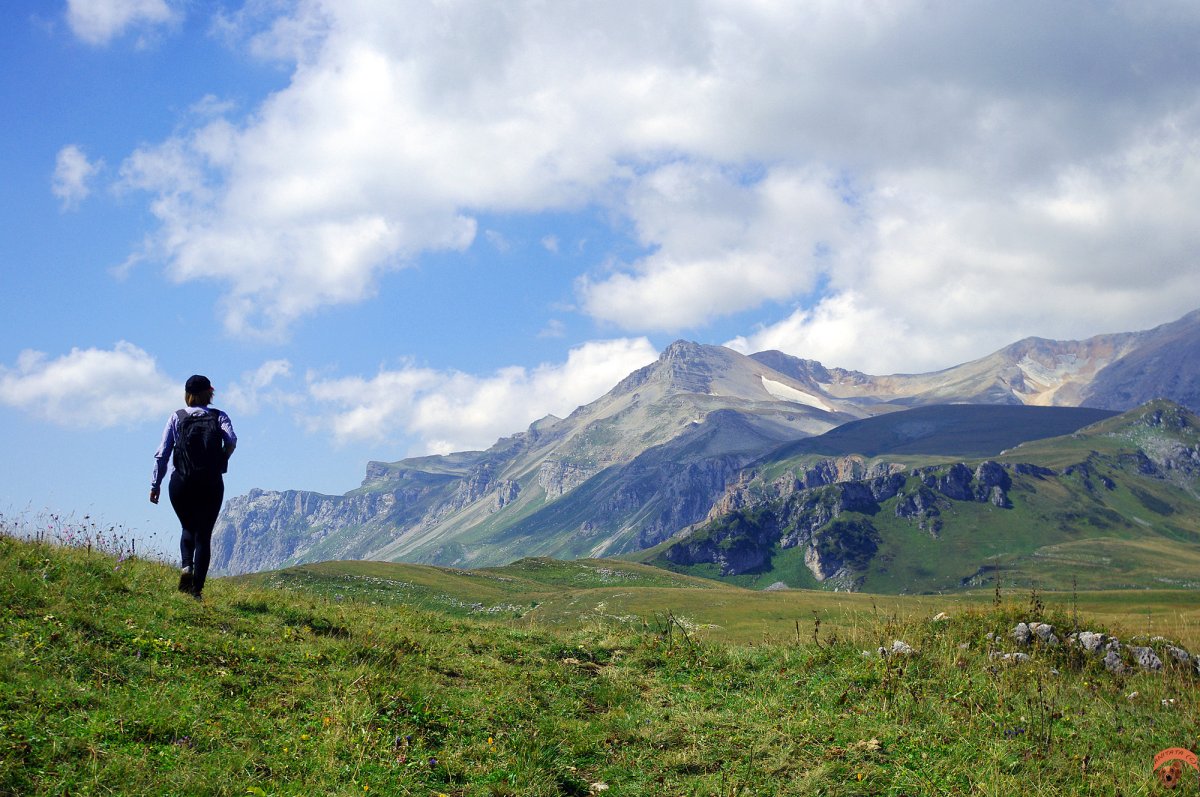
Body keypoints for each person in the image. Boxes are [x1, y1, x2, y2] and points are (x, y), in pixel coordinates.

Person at [151, 374, 237, 600]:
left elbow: (162, 454)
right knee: (204, 535)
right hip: (210, 481)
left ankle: (186, 566)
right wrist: (221, 459)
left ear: (187, 394)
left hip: (181, 482)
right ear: (209, 393)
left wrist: (155, 484)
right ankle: (196, 590)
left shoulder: (177, 417)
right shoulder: (219, 416)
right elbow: (231, 440)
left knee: (188, 528)